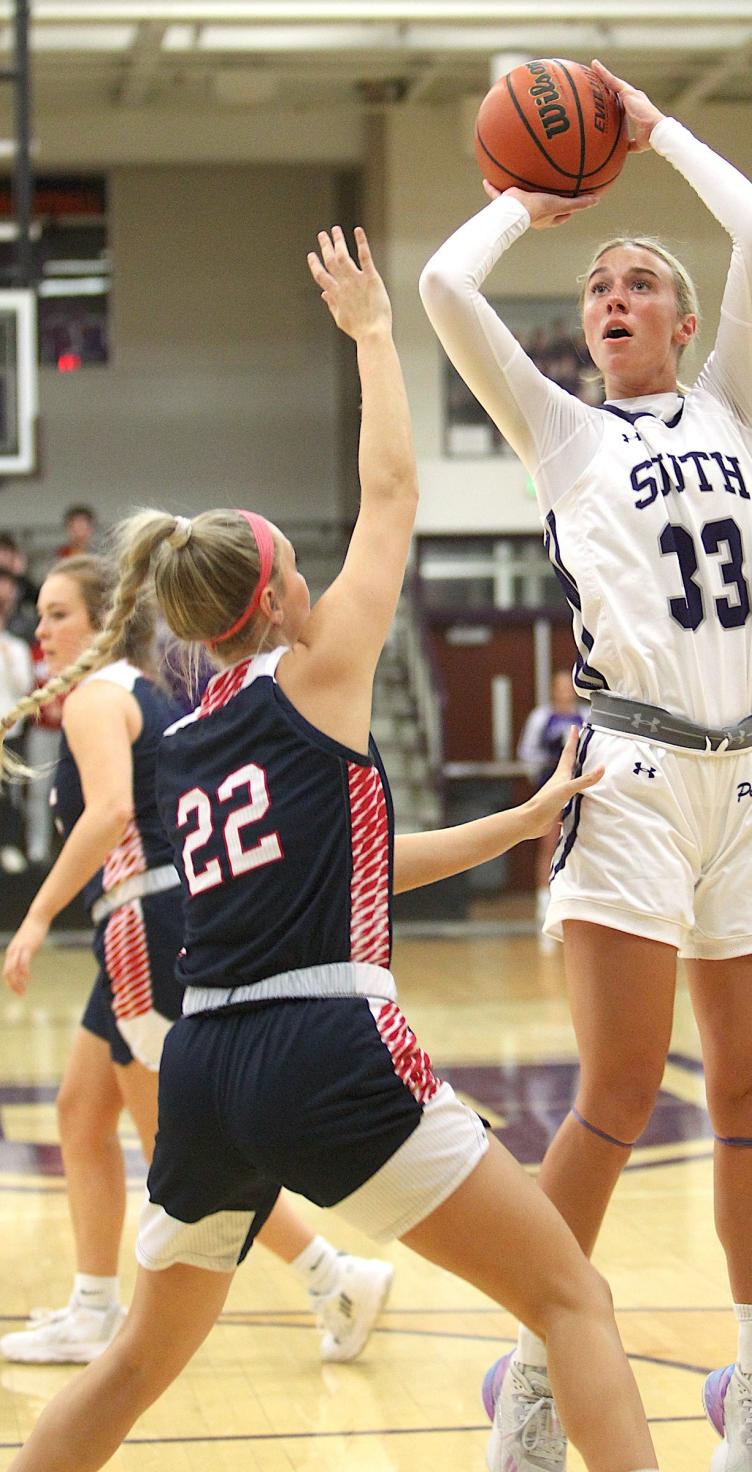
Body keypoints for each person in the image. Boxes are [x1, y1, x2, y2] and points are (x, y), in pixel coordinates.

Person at [0, 226, 659, 1472]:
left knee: (137, 1359)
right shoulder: (322, 676)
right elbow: (396, 492)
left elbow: (357, 865)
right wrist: (369, 334)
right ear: (277, 600)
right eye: (302, 565)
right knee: (574, 1298)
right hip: (325, 1047)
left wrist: (517, 826)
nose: (320, 575)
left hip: (204, 1063)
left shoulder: (188, 739)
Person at [421, 59, 752, 1472]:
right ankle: (538, 1379)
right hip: (634, 781)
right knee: (614, 1096)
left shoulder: (737, 410)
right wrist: (522, 204)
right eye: (597, 288)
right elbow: (445, 298)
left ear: (687, 320)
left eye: (638, 280)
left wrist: (655, 133)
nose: (613, 296)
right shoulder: (563, 433)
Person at [1, 555, 394, 1368]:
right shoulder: (139, 691)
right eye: (39, 616)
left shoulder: (98, 696)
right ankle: (93, 1303)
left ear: (102, 621)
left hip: (143, 919)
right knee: (81, 1112)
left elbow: (111, 810)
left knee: (184, 1151)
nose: (41, 630)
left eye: (57, 614)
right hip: (152, 917)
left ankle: (335, 1274)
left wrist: (35, 917)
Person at [517, 669, 587, 927]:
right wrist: (541, 776)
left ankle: (579, 899)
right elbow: (527, 752)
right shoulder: (541, 717)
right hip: (551, 785)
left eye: (567, 687)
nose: (564, 692)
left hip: (579, 787)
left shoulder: (585, 715)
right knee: (548, 842)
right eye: (559, 687)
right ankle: (544, 900)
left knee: (582, 842)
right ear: (552, 690)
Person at [0, 568, 35, 872]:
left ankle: (10, 845)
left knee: (10, 792)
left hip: (9, 731)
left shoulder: (17, 647)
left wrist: (8, 656)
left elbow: (25, 687)